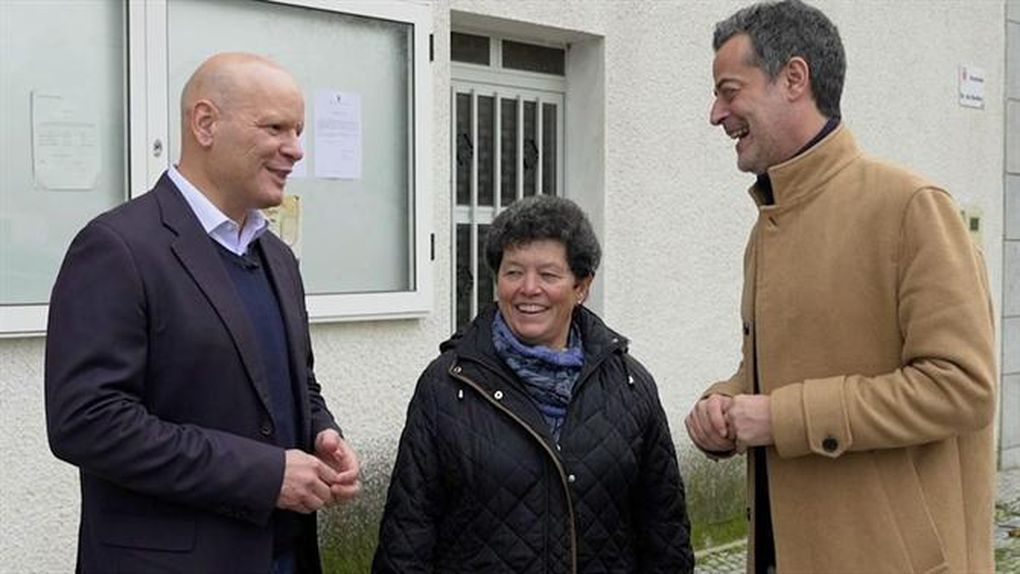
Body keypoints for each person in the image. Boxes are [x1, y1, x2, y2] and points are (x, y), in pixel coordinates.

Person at [684, 1, 997, 572]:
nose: (715, 114)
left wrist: (781, 419)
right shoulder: (768, 225)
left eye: (729, 92)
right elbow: (778, 373)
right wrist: (724, 403)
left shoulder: (911, 206)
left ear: (794, 79)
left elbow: (963, 389)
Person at [45, 52, 360, 573]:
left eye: (298, 131)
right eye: (275, 128)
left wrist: (321, 432)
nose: (296, 149)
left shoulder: (276, 256)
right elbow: (87, 422)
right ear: (205, 123)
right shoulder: (117, 248)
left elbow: (295, 384)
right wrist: (265, 475)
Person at [373, 195, 693, 573]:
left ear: (581, 286)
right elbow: (408, 533)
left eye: (548, 275)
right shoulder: (447, 386)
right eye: (513, 272)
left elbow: (665, 532)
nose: (528, 288)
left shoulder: (630, 385)